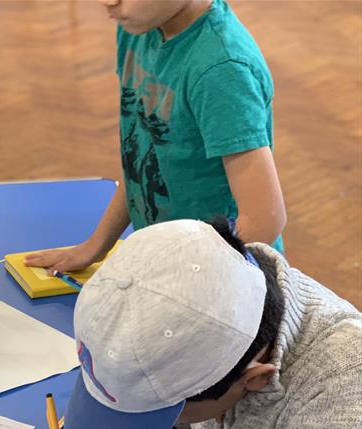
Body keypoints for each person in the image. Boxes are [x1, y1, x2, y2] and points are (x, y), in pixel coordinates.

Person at [25, 218, 362, 429]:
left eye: (153, 413)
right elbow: (162, 394)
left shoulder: (345, 387)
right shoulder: (201, 289)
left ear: (254, 380)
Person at [26, 0, 287, 276]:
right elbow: (143, 156)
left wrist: (185, 284)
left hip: (220, 283)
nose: (108, 2)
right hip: (166, 266)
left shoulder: (223, 69)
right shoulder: (139, 30)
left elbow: (264, 220)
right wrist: (96, 246)